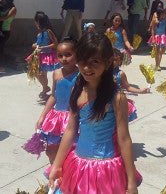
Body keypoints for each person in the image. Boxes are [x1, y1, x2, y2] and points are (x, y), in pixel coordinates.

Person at [48, 33, 142, 193]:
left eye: (94, 62)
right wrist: (56, 165)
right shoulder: (76, 90)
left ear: (108, 62)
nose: (86, 68)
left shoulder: (117, 97)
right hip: (78, 163)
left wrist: (131, 181)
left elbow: (124, 139)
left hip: (106, 167)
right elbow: (70, 130)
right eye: (82, 61)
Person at [35, 37, 78, 166]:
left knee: (70, 150)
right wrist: (42, 116)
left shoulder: (81, 75)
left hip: (73, 118)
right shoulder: (56, 73)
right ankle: (54, 171)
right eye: (60, 55)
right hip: (56, 118)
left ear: (77, 54)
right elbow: (54, 96)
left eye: (68, 55)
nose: (64, 58)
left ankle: (66, 174)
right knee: (51, 150)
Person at [27, 11, 60, 99]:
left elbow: (55, 43)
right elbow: (38, 44)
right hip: (38, 55)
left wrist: (43, 47)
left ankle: (45, 88)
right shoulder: (40, 33)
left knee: (41, 73)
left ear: (39, 22)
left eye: (36, 22)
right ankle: (45, 88)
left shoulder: (48, 31)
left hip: (47, 56)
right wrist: (35, 45)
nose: (35, 24)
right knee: (37, 73)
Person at [113, 48, 150, 122]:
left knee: (118, 123)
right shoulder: (101, 72)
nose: (112, 62)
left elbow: (128, 87)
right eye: (109, 59)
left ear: (120, 62)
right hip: (104, 101)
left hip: (118, 101)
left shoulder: (121, 74)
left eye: (115, 60)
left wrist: (140, 91)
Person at [0, 0, 17, 73]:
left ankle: (2, 67)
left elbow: (5, 18)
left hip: (5, 31)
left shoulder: (13, 9)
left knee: (0, 48)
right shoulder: (1, 7)